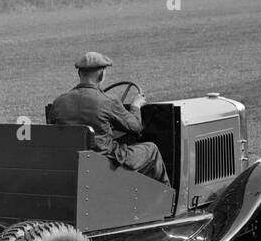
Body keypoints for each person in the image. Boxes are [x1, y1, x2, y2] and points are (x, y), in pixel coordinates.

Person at [46, 51, 170, 184]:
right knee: (151, 150)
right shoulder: (108, 101)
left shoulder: (59, 101)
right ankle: (165, 200)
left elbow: (53, 132)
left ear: (79, 74)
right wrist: (135, 106)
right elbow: (136, 128)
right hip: (106, 162)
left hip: (71, 161)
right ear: (101, 74)